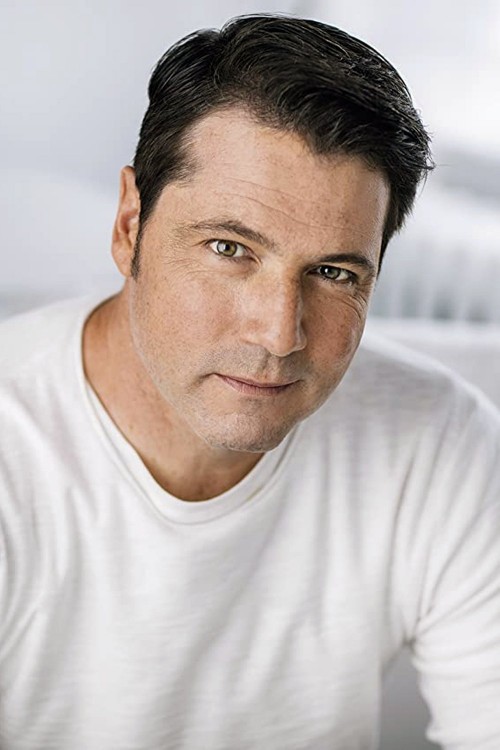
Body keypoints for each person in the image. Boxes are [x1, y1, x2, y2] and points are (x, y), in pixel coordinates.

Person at [1, 13, 499, 750]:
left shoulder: (439, 443)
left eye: (333, 273)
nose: (278, 334)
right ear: (130, 225)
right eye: (229, 249)